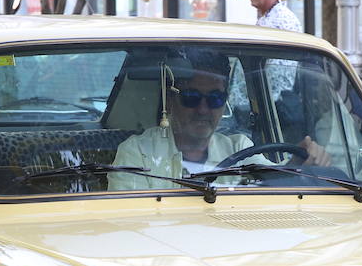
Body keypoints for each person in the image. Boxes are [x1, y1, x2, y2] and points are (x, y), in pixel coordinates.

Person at [110, 51, 327, 191]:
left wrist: (299, 163)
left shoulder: (239, 148)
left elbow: (273, 182)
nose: (203, 109)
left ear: (224, 102)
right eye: (191, 98)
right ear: (173, 99)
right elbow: (132, 224)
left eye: (215, 98)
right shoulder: (137, 152)